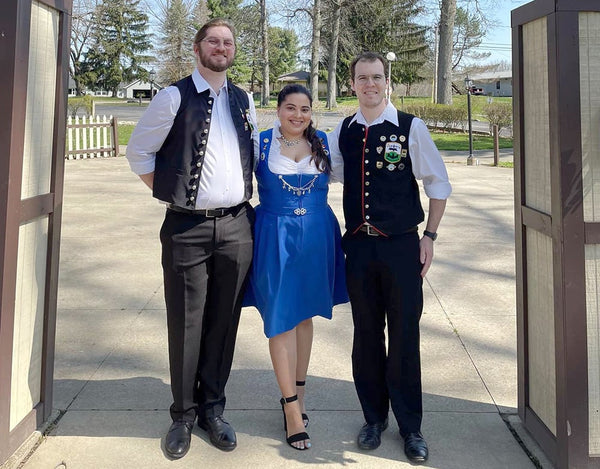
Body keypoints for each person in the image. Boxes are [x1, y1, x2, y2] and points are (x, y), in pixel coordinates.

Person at [126, 18, 257, 459]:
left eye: (228, 41)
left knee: (224, 323)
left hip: (238, 226)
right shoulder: (172, 96)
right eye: (213, 41)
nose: (221, 47)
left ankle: (212, 410)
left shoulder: (244, 100)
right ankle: (182, 414)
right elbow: (138, 152)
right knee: (186, 323)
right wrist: (171, 192)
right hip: (187, 228)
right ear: (198, 49)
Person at [328, 52, 452, 463]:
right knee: (365, 335)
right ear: (352, 85)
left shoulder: (410, 127)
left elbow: (438, 184)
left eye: (376, 77)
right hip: (359, 248)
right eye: (362, 78)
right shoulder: (343, 129)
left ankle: (411, 427)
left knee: (403, 336)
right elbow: (324, 172)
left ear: (387, 81)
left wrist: (429, 236)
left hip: (401, 247)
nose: (370, 85)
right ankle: (373, 417)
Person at [244, 84, 348, 450]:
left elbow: (355, 179)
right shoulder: (261, 143)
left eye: (305, 109)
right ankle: (290, 408)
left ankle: (299, 395)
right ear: (278, 109)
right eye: (291, 108)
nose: (298, 116)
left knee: (304, 317)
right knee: (280, 319)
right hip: (274, 235)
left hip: (317, 235)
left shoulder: (324, 142)